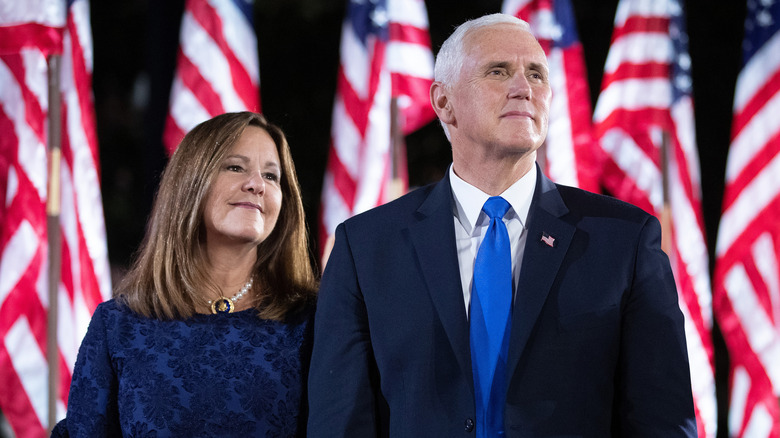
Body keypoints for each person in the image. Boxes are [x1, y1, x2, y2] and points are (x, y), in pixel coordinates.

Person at [307, 13, 697, 437]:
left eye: (536, 74)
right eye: (499, 71)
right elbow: (338, 423)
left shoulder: (623, 239)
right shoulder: (365, 246)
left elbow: (663, 420)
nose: (524, 88)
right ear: (444, 102)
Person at [55, 112, 318, 437]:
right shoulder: (117, 326)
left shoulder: (314, 322)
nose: (257, 184)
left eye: (272, 176)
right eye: (235, 167)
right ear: (190, 183)